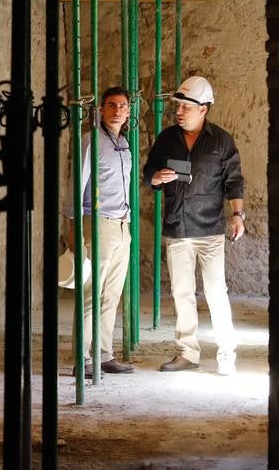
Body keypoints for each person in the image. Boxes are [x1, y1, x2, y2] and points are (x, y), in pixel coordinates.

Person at [143, 75, 245, 376]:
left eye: (187, 106)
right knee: (182, 294)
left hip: (211, 230)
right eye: (179, 105)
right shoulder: (166, 138)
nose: (180, 111)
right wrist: (156, 178)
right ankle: (187, 353)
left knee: (216, 292)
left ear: (204, 108)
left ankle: (227, 354)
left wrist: (238, 215)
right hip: (177, 229)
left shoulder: (222, 141)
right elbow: (149, 171)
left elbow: (235, 181)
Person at [68, 85, 134, 377]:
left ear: (129, 111)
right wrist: (72, 226)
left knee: (112, 295)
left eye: (122, 105)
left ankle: (103, 354)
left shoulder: (124, 144)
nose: (117, 110)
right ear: (101, 110)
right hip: (98, 223)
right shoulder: (90, 140)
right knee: (91, 293)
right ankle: (81, 359)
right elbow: (75, 184)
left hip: (122, 225)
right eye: (111, 105)